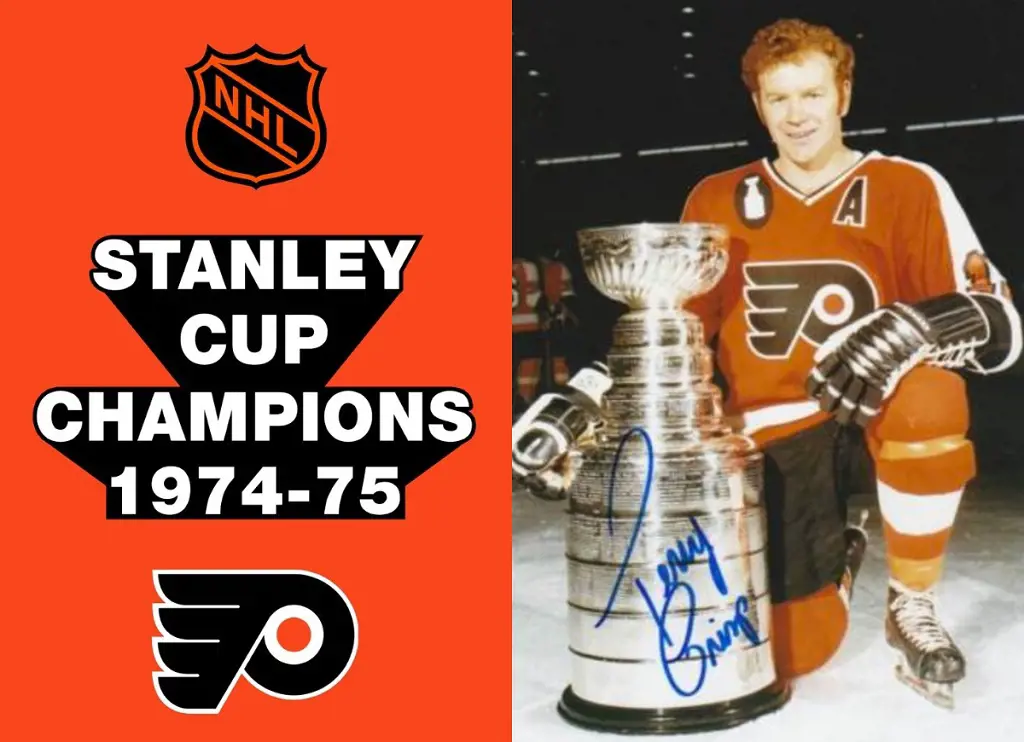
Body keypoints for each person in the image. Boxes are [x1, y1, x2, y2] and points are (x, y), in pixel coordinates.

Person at [676, 17, 1022, 708]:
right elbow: (681, 329)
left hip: (875, 411)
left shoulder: (910, 185)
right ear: (759, 107)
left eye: (812, 94)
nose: (797, 114)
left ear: (844, 95)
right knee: (800, 648)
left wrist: (911, 325)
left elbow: (1003, 326)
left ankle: (910, 602)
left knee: (930, 394)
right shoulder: (716, 197)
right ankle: (842, 555)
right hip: (771, 429)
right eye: (779, 99)